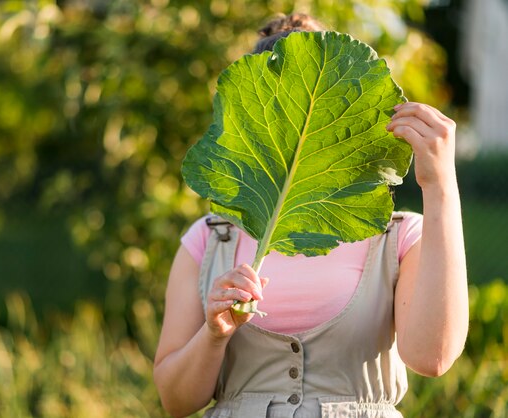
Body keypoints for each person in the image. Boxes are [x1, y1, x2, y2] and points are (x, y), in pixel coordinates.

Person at [153, 13, 468, 418]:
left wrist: (441, 187)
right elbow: (175, 401)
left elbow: (432, 358)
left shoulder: (400, 237)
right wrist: (214, 335)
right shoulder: (209, 239)